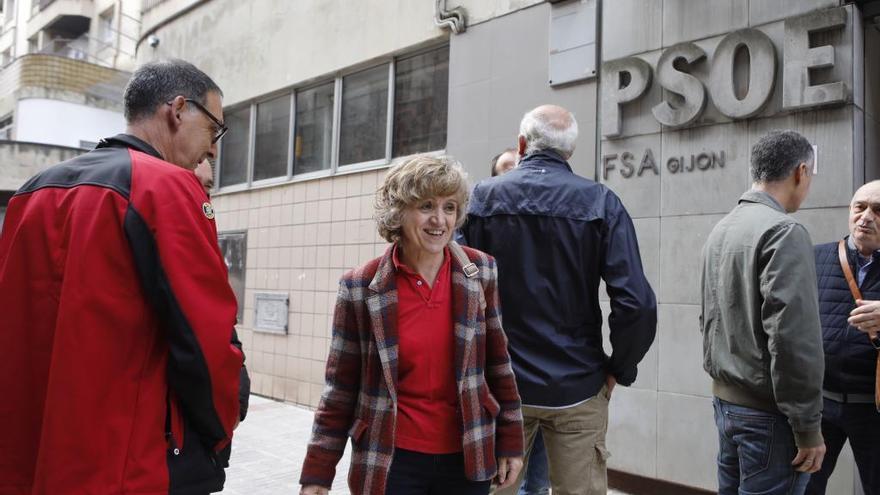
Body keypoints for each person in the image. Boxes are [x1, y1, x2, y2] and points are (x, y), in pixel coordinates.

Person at [0, 59, 246, 494]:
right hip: (126, 463)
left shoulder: (32, 192)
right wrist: (218, 438)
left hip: (31, 454)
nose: (213, 149)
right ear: (178, 110)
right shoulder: (165, 187)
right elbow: (206, 343)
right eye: (214, 130)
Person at [299, 155, 524, 495]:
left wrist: (510, 440)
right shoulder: (360, 285)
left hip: (466, 456)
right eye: (426, 206)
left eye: (450, 207)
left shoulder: (480, 272)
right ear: (399, 212)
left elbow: (498, 364)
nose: (439, 220)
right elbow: (340, 389)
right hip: (391, 459)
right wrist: (317, 474)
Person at [463, 105, 657, 495]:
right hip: (578, 386)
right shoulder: (601, 202)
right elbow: (636, 304)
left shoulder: (483, 199)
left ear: (521, 145)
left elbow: (457, 287)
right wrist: (620, 368)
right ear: (570, 152)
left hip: (500, 386)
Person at [701, 130, 825, 495]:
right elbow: (792, 337)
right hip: (770, 416)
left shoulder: (722, 228)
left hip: (726, 405)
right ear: (801, 172)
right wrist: (807, 428)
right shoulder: (784, 231)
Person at [806, 180, 880, 495]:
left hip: (875, 409)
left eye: (878, 210)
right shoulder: (813, 257)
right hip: (820, 405)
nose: (866, 217)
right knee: (805, 486)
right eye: (859, 207)